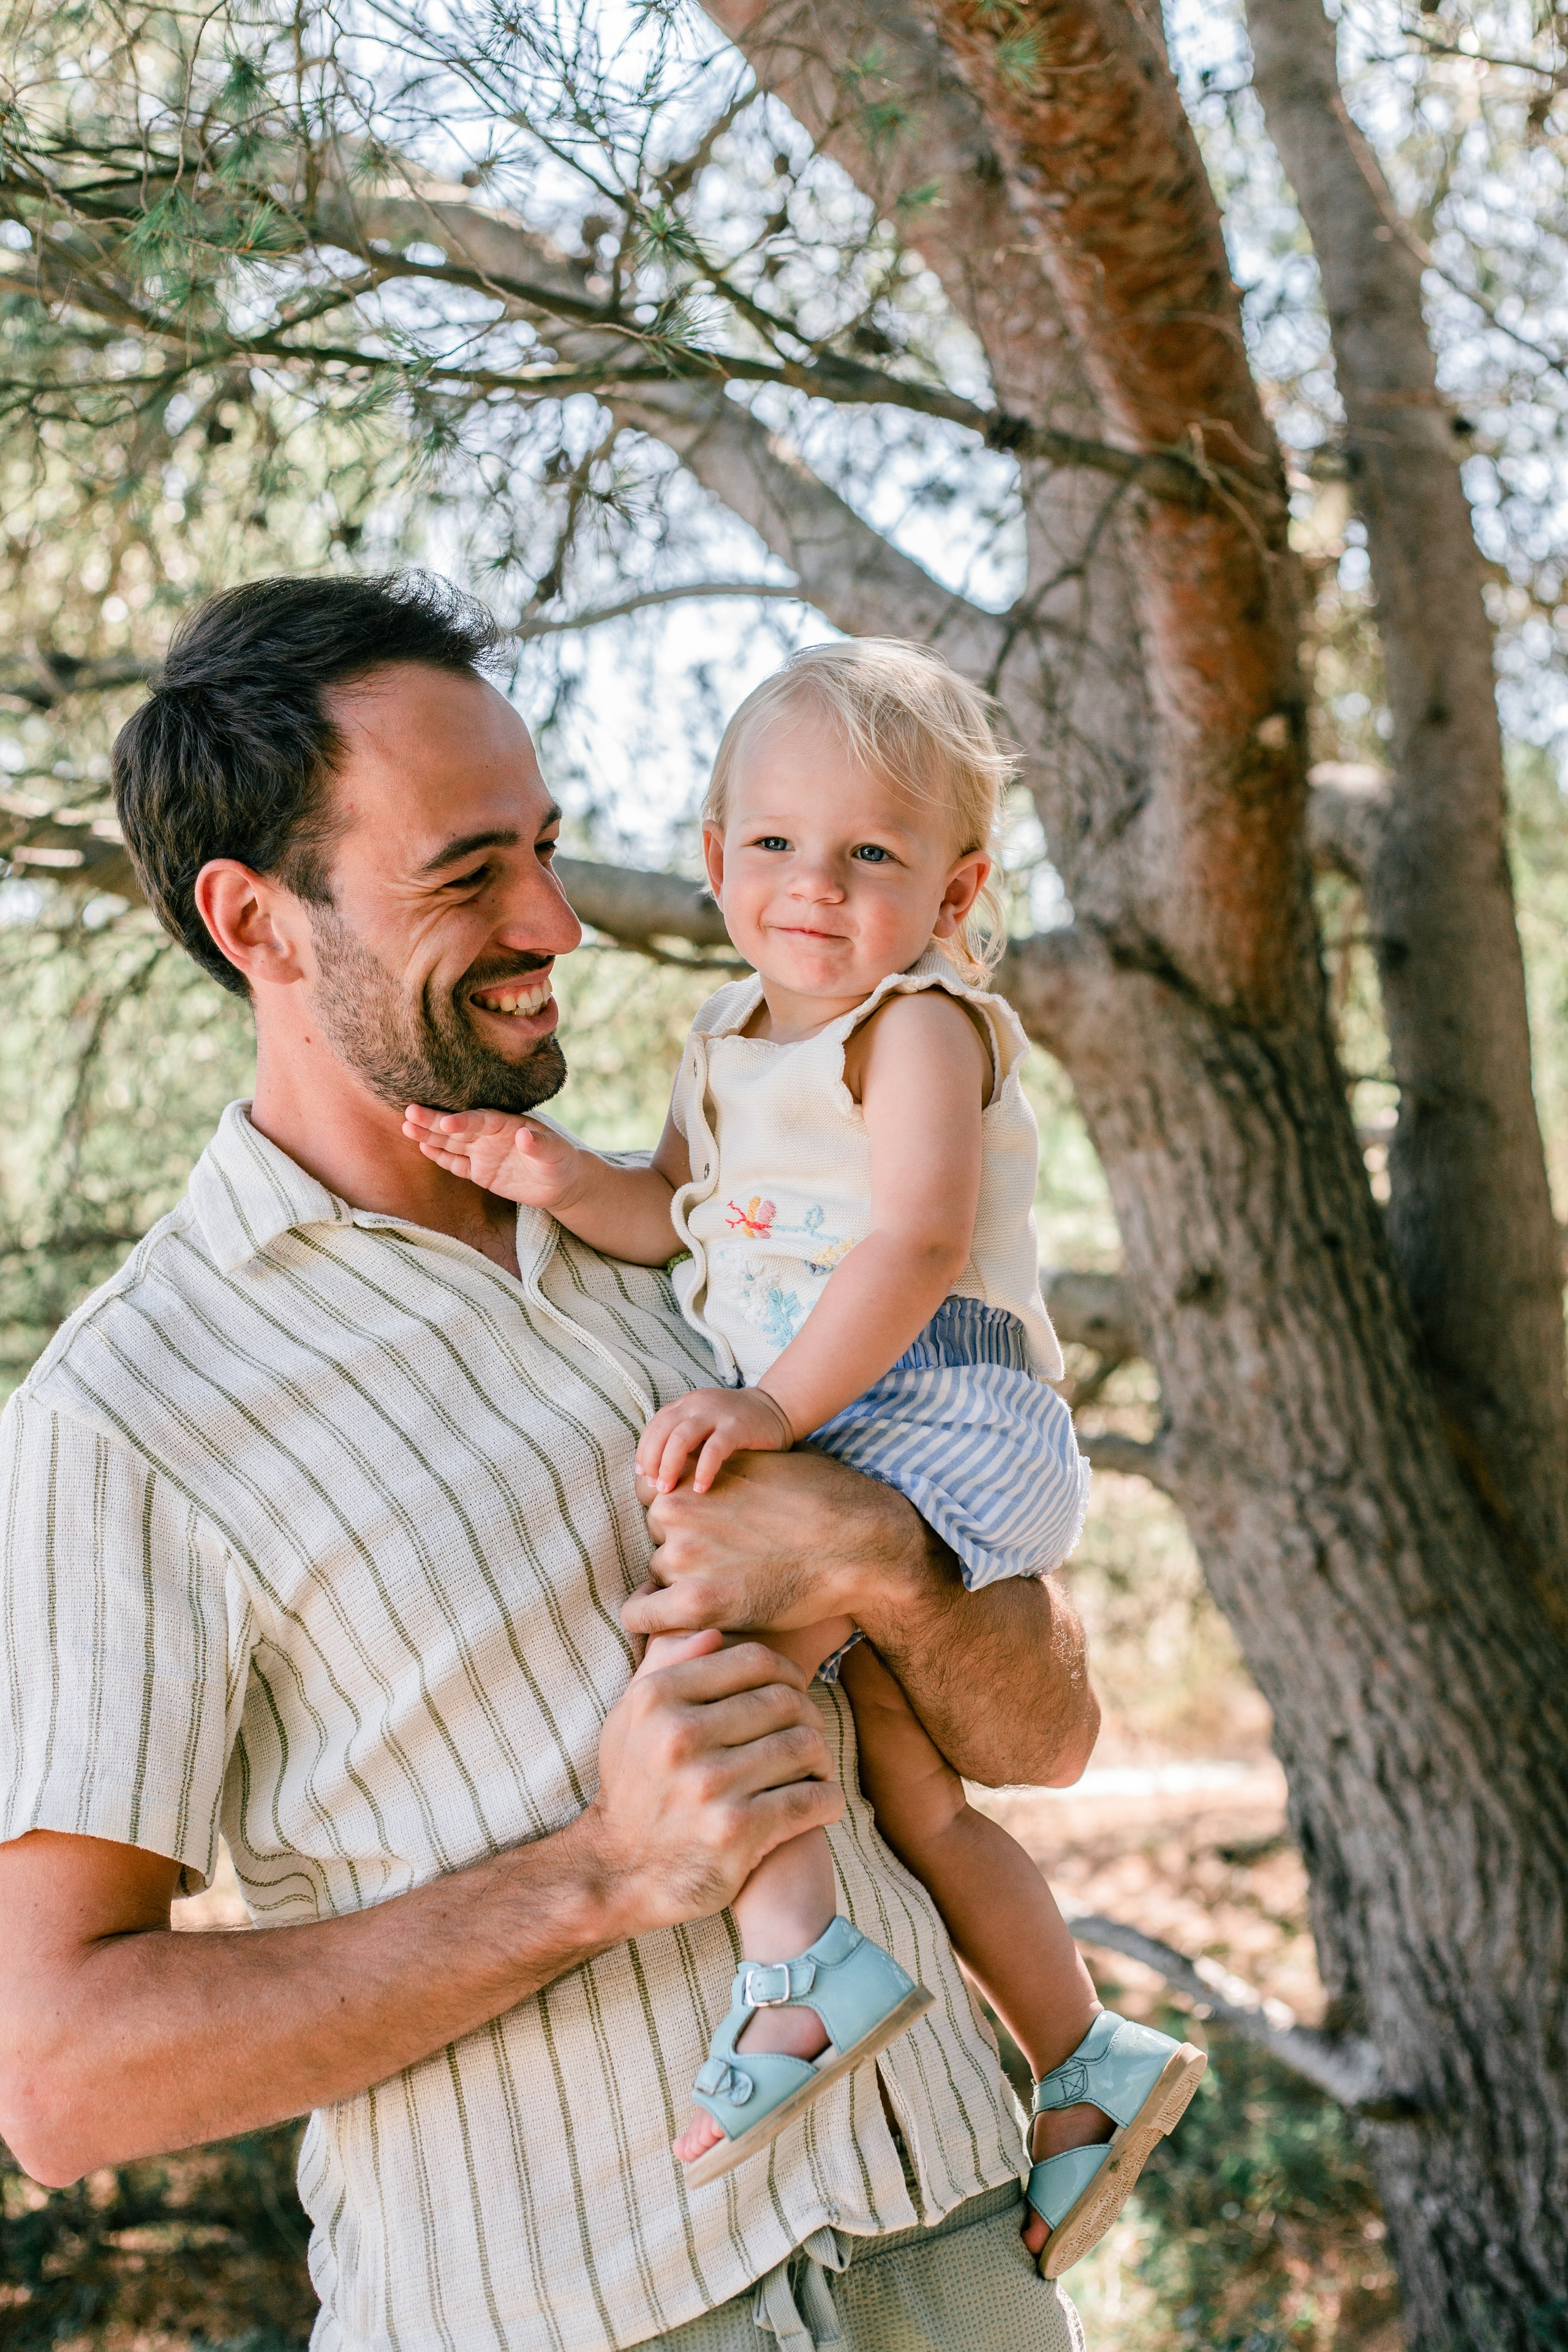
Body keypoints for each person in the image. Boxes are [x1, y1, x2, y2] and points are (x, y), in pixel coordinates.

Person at [0, 573, 1106, 2352]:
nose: (556, 922)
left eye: (547, 846)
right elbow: (58, 2077)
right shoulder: (127, 1412)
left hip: (962, 2263)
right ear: (256, 920)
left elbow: (1046, 1738)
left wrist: (886, 1557)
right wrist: (599, 1871)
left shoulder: (716, 1248)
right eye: (467, 874)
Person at [407, 641, 1204, 2274]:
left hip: (942, 1406)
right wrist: (554, 1171)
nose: (814, 890)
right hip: (850, 1414)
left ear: (955, 888)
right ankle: (1085, 2060)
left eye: (872, 857)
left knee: (719, 1613)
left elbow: (910, 1245)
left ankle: (802, 1964)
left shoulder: (918, 1028)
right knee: (914, 1791)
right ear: (712, 860)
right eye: (773, 845)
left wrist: (770, 1414)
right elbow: (674, 1220)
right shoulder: (723, 1036)